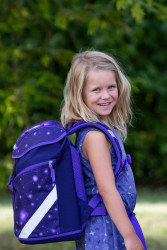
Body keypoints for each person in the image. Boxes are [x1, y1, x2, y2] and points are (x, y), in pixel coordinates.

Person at [61, 50, 145, 250]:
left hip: (111, 222)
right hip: (103, 230)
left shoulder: (103, 129)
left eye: (111, 87)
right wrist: (130, 236)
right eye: (96, 90)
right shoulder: (95, 136)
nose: (106, 95)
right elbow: (106, 190)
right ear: (80, 93)